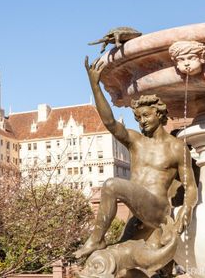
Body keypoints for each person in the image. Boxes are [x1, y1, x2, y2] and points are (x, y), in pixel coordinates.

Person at [75, 56, 198, 259]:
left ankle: (96, 239)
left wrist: (187, 209)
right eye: (138, 118)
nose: (142, 121)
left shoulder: (176, 147)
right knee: (121, 261)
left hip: (158, 209)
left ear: (159, 114)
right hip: (137, 210)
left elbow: (191, 186)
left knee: (112, 185)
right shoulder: (136, 141)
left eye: (146, 116)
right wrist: (95, 86)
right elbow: (110, 122)